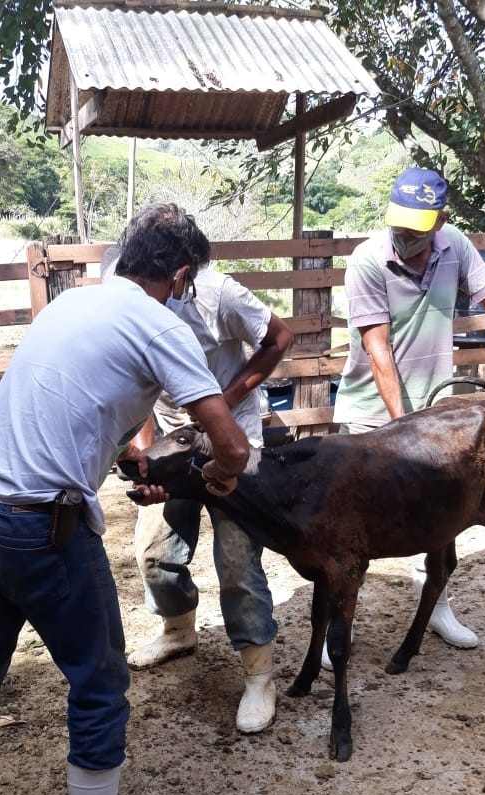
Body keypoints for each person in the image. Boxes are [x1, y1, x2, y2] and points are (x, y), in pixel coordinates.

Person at [0, 222, 250, 795]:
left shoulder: (73, 302)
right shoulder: (162, 327)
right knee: (98, 676)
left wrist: (128, 453)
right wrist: (220, 476)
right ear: (181, 277)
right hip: (45, 528)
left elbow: (73, 401)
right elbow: (231, 443)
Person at [101, 204, 292, 734]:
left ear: (182, 275)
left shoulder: (221, 295)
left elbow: (279, 338)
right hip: (168, 437)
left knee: (236, 561)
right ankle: (179, 629)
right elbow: (130, 378)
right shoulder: (122, 284)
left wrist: (224, 401)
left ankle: (258, 674)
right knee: (154, 551)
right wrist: (145, 451)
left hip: (234, 439)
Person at [329, 167, 485, 668]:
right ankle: (341, 624)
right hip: (369, 414)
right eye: (398, 228)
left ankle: (438, 606)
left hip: (436, 408)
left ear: (441, 221)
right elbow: (377, 348)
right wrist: (403, 431)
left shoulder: (457, 247)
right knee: (350, 523)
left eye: (414, 231)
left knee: (441, 515)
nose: (402, 238)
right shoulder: (368, 260)